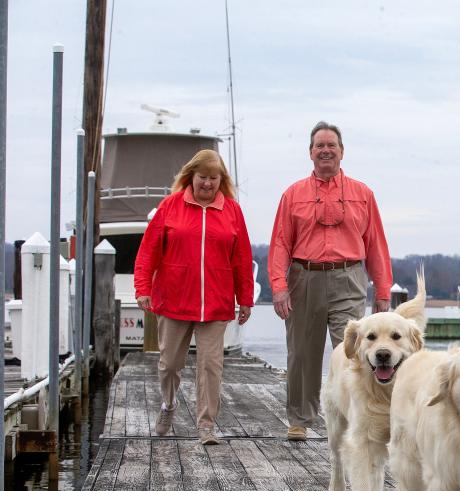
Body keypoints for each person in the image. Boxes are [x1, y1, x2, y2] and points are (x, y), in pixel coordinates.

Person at [268, 121, 392, 441]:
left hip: (349, 277)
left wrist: (382, 290)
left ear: (341, 151)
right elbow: (280, 242)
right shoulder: (292, 194)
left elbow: (375, 242)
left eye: (331, 145)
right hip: (303, 276)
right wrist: (279, 286)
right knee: (302, 353)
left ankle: (357, 416)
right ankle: (299, 419)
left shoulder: (362, 194)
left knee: (352, 351)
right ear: (310, 153)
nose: (325, 150)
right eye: (319, 145)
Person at [134, 149, 254, 445]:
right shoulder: (170, 207)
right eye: (203, 178)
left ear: (221, 180)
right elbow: (148, 252)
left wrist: (246, 299)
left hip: (216, 303)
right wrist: (142, 289)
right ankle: (169, 404)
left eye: (214, 179)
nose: (208, 184)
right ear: (191, 177)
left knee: (210, 365)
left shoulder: (232, 211)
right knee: (170, 364)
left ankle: (206, 425)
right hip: (174, 300)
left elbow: (241, 258)